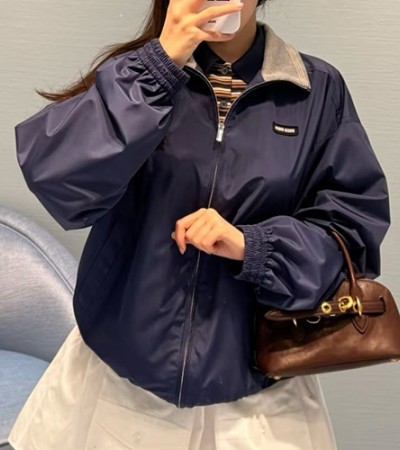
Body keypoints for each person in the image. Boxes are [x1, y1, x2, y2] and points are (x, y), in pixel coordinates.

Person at [9, 0, 390, 449]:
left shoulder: (315, 91)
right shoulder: (136, 76)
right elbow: (60, 185)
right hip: (117, 381)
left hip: (257, 398)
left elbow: (352, 232)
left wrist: (255, 246)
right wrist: (157, 68)